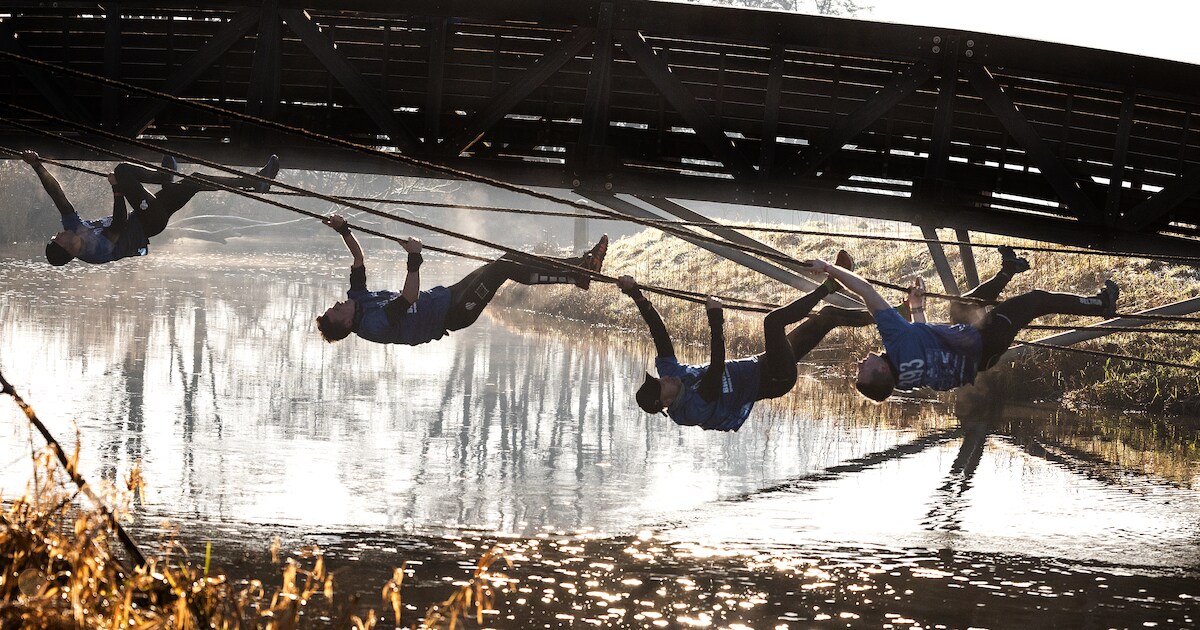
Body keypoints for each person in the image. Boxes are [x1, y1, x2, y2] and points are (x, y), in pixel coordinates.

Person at [804, 250, 1119, 402]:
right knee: (1036, 300)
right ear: (882, 372)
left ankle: (1009, 269)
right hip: (985, 340)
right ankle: (1101, 305)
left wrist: (917, 310)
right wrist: (828, 268)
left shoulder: (903, 380)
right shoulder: (896, 340)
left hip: (977, 354)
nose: (861, 361)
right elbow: (866, 291)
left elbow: (927, 346)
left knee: (960, 306)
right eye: (864, 367)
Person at [623, 250, 872, 432]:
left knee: (827, 317)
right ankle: (830, 285)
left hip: (764, 363)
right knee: (772, 322)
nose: (663, 377)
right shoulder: (692, 409)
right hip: (776, 378)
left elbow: (659, 333)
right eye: (660, 384)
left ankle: (887, 315)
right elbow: (717, 367)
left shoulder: (672, 375)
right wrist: (715, 318)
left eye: (658, 378)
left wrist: (635, 293)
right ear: (666, 402)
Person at [316, 213, 608, 345]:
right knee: (502, 269)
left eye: (336, 304)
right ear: (346, 323)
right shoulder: (373, 325)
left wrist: (344, 230)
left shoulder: (357, 300)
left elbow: (358, 260)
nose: (340, 303)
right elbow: (408, 297)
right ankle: (577, 274)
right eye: (337, 309)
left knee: (505, 260)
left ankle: (580, 268)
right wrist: (414, 257)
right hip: (454, 314)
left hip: (447, 295)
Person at [28, 150, 280, 265]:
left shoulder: (73, 229)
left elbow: (59, 198)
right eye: (57, 238)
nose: (59, 233)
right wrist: (117, 190)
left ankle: (255, 182)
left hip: (145, 215)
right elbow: (118, 226)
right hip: (149, 222)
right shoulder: (95, 252)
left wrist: (37, 166)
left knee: (193, 180)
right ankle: (164, 177)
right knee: (122, 172)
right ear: (67, 248)